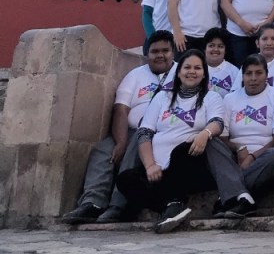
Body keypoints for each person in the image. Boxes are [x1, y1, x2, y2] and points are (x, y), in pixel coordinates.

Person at [116, 48, 242, 234]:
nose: (192, 72)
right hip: (159, 169)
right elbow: (145, 132)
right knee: (125, 179)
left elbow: (217, 122)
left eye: (197, 68)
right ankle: (169, 206)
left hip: (190, 162)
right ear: (179, 72)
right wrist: (150, 165)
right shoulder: (162, 97)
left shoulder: (211, 97)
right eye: (187, 67)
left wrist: (204, 133)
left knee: (180, 152)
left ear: (204, 73)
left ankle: (173, 204)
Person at [62, 30, 176, 225]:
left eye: (165, 51)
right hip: (130, 131)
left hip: (164, 133)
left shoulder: (183, 72)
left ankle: (119, 204)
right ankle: (93, 202)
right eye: (155, 51)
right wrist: (121, 141)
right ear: (147, 54)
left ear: (173, 52)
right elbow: (121, 109)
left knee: (138, 141)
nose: (160, 55)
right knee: (104, 149)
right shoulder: (135, 75)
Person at [217, 54, 274, 218]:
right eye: (248, 73)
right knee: (213, 144)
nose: (253, 78)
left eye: (258, 73)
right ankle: (243, 199)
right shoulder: (230, 99)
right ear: (242, 76)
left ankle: (230, 195)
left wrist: (252, 157)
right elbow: (223, 138)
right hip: (234, 157)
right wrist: (239, 148)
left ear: (267, 75)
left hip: (264, 158)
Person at [203, 27, 241, 97]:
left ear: (226, 50)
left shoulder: (234, 71)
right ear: (205, 48)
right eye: (211, 45)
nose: (215, 49)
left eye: (220, 46)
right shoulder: (197, 68)